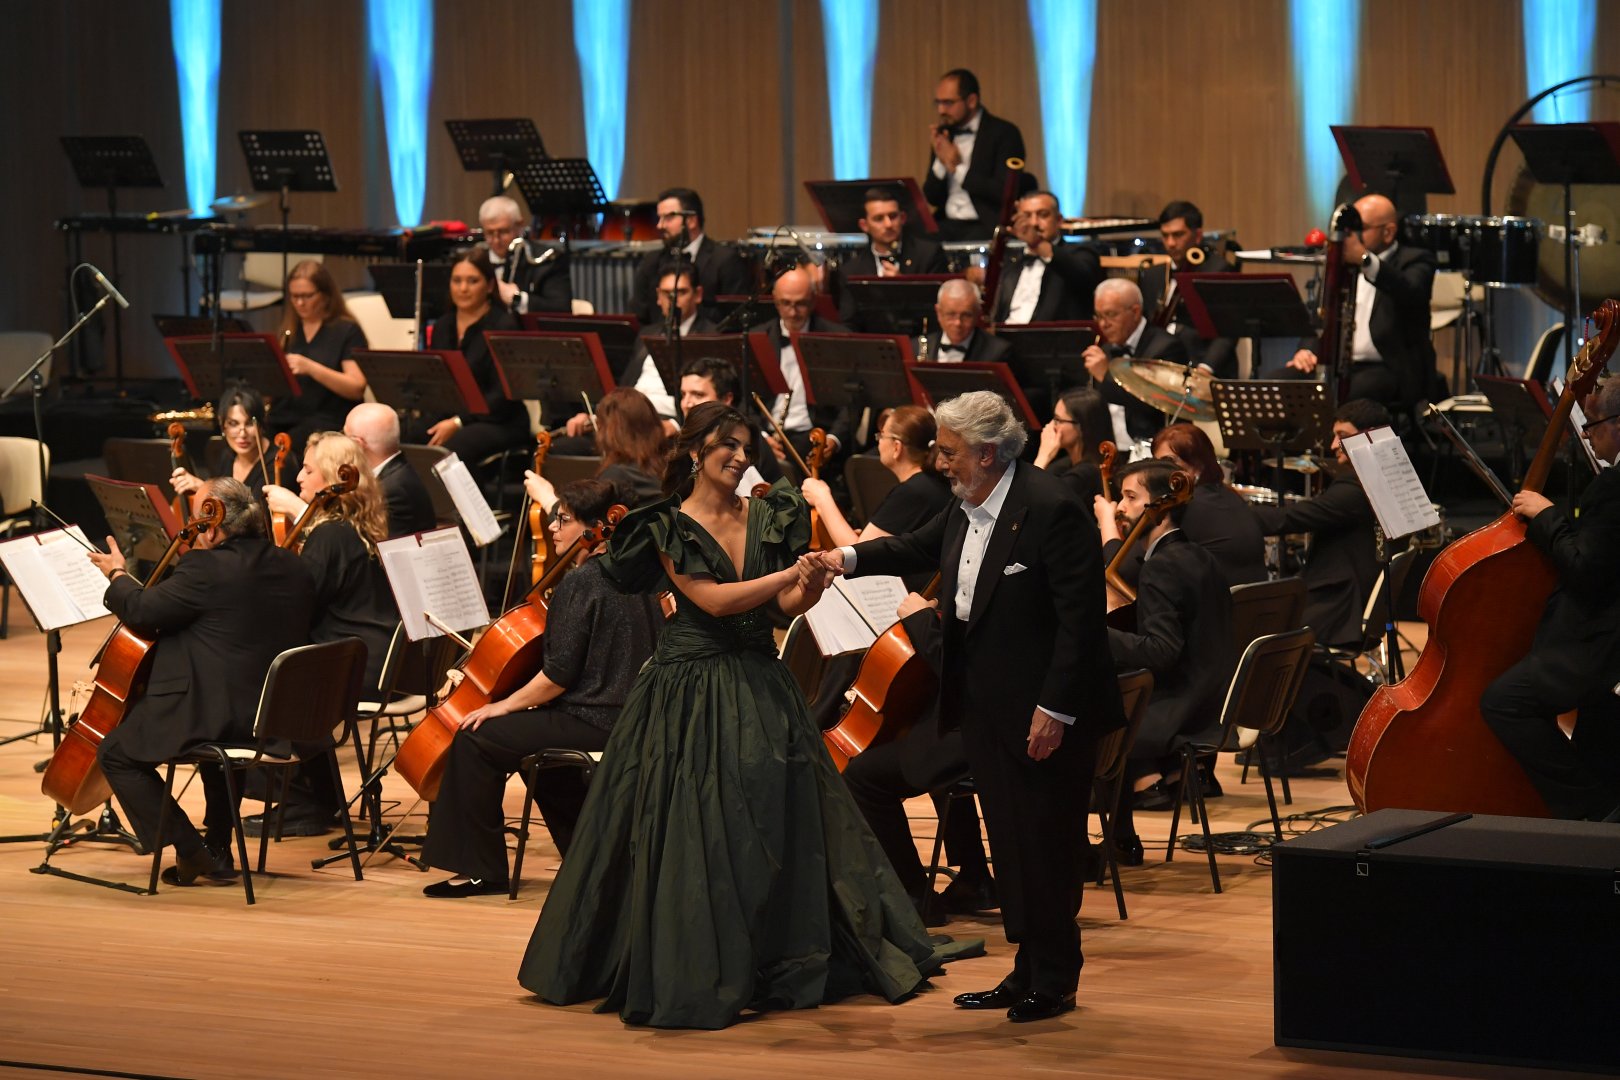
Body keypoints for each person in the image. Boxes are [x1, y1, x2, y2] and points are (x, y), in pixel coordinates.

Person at [517, 403, 941, 1029]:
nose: (742, 457)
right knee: (699, 826)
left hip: (759, 682)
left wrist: (810, 583)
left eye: (746, 447)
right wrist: (786, 576)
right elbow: (712, 601)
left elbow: (782, 607)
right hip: (687, 688)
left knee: (769, 817)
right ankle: (691, 957)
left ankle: (773, 950)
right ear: (695, 452)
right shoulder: (666, 524)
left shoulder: (767, 513)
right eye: (728, 445)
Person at [816, 390, 1125, 1024]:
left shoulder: (1051, 507)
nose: (940, 463)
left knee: (1046, 844)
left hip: (1044, 712)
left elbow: (1081, 624)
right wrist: (842, 558)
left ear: (987, 453)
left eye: (950, 452)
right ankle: (1026, 969)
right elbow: (913, 547)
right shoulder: (966, 503)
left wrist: (1056, 710)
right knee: (1010, 841)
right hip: (984, 704)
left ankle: (1055, 979)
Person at [421, 479, 665, 895]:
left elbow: (556, 678)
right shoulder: (646, 573)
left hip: (594, 719)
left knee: (477, 736)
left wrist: (501, 706)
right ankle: (587, 856)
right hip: (637, 716)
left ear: (594, 528)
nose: (553, 526)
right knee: (529, 749)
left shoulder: (582, 582)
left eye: (563, 519)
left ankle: (479, 869)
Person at [88, 477, 315, 886]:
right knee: (219, 745)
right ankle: (219, 847)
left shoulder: (204, 569)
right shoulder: (293, 565)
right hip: (274, 718)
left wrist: (117, 574)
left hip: (216, 714)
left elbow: (142, 610)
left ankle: (192, 850)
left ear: (213, 526)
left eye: (195, 519)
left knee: (116, 754)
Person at [1480, 377, 1620, 821]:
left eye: (1592, 424)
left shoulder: (1614, 486)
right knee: (1595, 737)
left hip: (1604, 645)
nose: (1587, 436)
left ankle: (1592, 810)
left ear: (1618, 425)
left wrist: (1547, 517)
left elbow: (1585, 570)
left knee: (1503, 701)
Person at [254, 432, 400, 836]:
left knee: (264, 677)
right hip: (376, 657)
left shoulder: (330, 535)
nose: (299, 477)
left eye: (307, 469)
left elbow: (299, 605)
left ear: (332, 477)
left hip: (354, 666)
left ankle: (305, 801)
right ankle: (319, 796)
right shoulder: (359, 526)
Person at [1093, 460, 1235, 834]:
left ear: (1161, 506)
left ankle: (1119, 839)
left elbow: (1162, 651)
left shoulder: (1162, 567)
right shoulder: (1199, 554)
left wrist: (1093, 633)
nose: (1120, 508)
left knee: (1089, 717)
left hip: (1181, 709)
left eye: (1130, 497)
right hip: (1211, 700)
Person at [1250, 399, 1385, 649]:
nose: (1333, 445)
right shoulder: (1379, 479)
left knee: (1248, 621)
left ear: (1368, 436)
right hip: (1353, 602)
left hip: (1335, 609)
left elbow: (1291, 518)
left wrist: (1236, 515)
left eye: (1342, 436)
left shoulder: (1354, 489)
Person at [1286, 193, 1438, 410]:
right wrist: (1307, 350)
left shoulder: (1416, 259)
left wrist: (1366, 260)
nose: (1351, 236)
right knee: (1279, 383)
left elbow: (1410, 291)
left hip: (1388, 367)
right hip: (1338, 366)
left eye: (1361, 228)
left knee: (1347, 395)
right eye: (1349, 228)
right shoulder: (1341, 262)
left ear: (1388, 232)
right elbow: (1320, 314)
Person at [568, 265, 718, 433]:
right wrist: (596, 416)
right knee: (566, 443)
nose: (673, 300)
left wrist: (677, 425)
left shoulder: (712, 335)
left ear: (698, 295)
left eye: (681, 292)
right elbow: (625, 386)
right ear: (658, 296)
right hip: (627, 415)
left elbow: (714, 398)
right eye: (666, 293)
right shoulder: (647, 333)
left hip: (668, 420)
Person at [423, 244, 528, 462]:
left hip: (500, 420)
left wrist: (458, 422)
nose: (463, 288)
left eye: (473, 281)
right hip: (451, 415)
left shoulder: (504, 326)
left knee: (453, 450)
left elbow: (502, 396)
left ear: (489, 286)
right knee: (406, 436)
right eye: (457, 281)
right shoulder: (443, 325)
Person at [747, 267, 851, 462]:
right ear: (775, 300)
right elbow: (745, 401)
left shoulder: (836, 338)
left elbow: (852, 402)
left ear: (813, 300)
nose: (793, 312)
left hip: (814, 437)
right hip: (768, 437)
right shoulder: (757, 338)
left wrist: (833, 438)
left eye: (800, 304)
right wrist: (761, 437)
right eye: (786, 303)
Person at [1150, 423, 1267, 587]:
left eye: (1168, 462)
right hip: (1247, 601)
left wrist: (1112, 529)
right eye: (1156, 464)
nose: (1158, 473)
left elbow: (1128, 568)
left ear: (1197, 466)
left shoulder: (1187, 505)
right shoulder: (1230, 496)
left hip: (1220, 601)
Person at [272, 260, 370, 450]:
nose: (299, 303)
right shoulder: (290, 330)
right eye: (294, 296)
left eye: (307, 296)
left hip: (327, 419)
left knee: (293, 442)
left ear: (325, 295)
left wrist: (310, 368)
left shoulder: (346, 330)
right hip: (288, 415)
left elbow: (356, 387)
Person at [922, 69, 1028, 242]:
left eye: (948, 103)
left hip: (985, 225)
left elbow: (1004, 192)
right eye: (938, 103)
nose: (941, 110)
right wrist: (941, 162)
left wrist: (957, 168)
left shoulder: (1004, 133)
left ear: (971, 101)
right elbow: (932, 197)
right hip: (947, 223)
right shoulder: (944, 134)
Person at [1083, 278, 1190, 443]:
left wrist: (1106, 376)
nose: (1103, 324)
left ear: (1135, 312)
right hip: (1107, 445)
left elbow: (1154, 404)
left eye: (1110, 315)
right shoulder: (1106, 349)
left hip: (1149, 445)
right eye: (1099, 316)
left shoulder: (1166, 347)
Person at [170, 382, 301, 518]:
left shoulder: (280, 463)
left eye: (249, 423)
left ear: (261, 425)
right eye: (233, 424)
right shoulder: (227, 456)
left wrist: (204, 489)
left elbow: (256, 519)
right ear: (223, 425)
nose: (242, 433)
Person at [627, 187, 752, 325]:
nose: (660, 225)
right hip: (658, 336)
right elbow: (638, 315)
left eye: (668, 218)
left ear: (692, 221)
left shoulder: (725, 260)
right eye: (659, 218)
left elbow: (735, 316)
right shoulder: (651, 261)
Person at [993, 191, 1103, 325]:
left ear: (1059, 220)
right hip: (1005, 333)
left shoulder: (1081, 252)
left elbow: (1083, 277)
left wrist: (1038, 244)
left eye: (1043, 215)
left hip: (1053, 336)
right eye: (1026, 216)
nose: (1034, 223)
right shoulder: (1010, 259)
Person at [1156, 200, 1239, 378]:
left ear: (1198, 236)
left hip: (1202, 365)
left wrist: (1206, 368)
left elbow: (1229, 330)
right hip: (1161, 365)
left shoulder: (1217, 270)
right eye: (1165, 235)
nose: (1170, 243)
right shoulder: (1155, 273)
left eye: (1178, 235)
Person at [677, 354, 780, 483]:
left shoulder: (750, 440)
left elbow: (780, 493)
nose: (686, 404)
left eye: (698, 395)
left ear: (726, 399)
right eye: (683, 395)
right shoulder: (685, 438)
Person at [344, 401, 437, 538]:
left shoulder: (392, 491)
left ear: (358, 444)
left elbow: (379, 545)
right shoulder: (396, 473)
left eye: (345, 436)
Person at [479, 194, 572, 314]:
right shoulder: (476, 261)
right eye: (489, 233)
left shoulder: (549, 260)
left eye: (503, 231)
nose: (496, 240)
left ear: (519, 225)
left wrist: (518, 299)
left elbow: (561, 308)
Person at [1032, 386, 1113, 507]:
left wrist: (1043, 456)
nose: (1051, 425)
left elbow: (1032, 500)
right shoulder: (1064, 465)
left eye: (1058, 420)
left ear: (1081, 427)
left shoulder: (1085, 476)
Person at [922, 279, 1011, 363]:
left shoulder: (998, 352)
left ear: (978, 314)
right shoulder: (917, 347)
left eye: (966, 315)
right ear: (939, 312)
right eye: (951, 314)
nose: (958, 323)